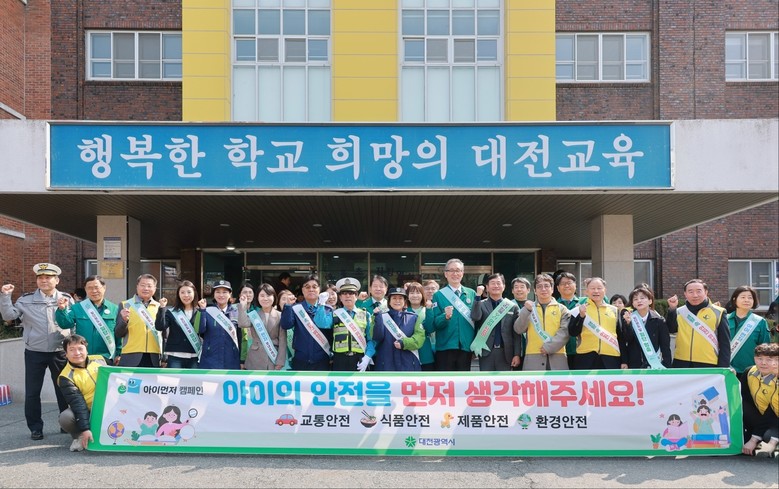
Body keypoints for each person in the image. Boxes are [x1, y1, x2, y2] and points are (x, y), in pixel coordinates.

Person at [0, 263, 72, 440]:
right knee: (33, 392)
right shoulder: (26, 300)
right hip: (34, 352)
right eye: (40, 278)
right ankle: (35, 427)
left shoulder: (66, 299)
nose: (44, 281)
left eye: (48, 278)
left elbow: (72, 322)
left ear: (57, 280)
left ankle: (66, 423)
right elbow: (9, 316)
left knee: (64, 390)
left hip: (59, 351)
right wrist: (5, 296)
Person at [55, 275, 121, 365]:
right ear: (85, 290)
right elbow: (65, 324)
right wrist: (62, 310)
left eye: (96, 287)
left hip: (106, 356)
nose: (94, 291)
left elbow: (119, 334)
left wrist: (119, 353)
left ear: (104, 288)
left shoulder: (115, 309)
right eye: (89, 288)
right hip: (82, 356)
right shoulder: (77, 308)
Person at [57, 334, 106, 452]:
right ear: (66, 354)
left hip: (109, 407)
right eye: (72, 350)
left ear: (86, 350)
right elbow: (78, 404)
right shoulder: (65, 377)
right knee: (66, 417)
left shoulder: (100, 360)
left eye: (80, 348)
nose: (77, 353)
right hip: (88, 411)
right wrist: (85, 429)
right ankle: (80, 436)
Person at [666, 279, 731, 368]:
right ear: (685, 294)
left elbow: (725, 342)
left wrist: (723, 367)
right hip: (681, 362)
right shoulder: (679, 312)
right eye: (690, 292)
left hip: (708, 362)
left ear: (706, 292)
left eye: (699, 291)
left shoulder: (719, 312)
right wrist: (672, 309)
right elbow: (671, 329)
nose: (695, 295)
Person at [514, 274, 571, 371]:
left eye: (546, 286)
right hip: (533, 358)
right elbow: (518, 329)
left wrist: (549, 347)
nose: (543, 289)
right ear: (535, 290)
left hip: (557, 357)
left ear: (552, 289)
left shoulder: (562, 309)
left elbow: (565, 332)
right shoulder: (529, 308)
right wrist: (526, 311)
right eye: (539, 287)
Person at [569, 277, 625, 369]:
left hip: (610, 358)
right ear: (586, 291)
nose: (596, 291)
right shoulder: (578, 309)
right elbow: (572, 332)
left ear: (605, 290)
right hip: (585, 357)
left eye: (599, 288)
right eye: (592, 288)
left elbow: (620, 337)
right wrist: (581, 316)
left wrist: (624, 360)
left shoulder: (614, 310)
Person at [280, 273, 333, 371]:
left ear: (319, 289)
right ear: (302, 290)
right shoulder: (295, 308)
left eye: (314, 287)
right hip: (301, 360)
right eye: (307, 287)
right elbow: (286, 325)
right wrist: (287, 306)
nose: (311, 289)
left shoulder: (327, 309)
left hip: (322, 360)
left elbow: (330, 331)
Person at [432, 258, 477, 371]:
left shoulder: (471, 293)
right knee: (445, 380)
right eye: (451, 270)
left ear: (462, 273)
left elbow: (477, 319)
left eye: (458, 270)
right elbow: (435, 323)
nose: (455, 273)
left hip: (466, 346)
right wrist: (445, 317)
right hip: (445, 346)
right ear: (445, 274)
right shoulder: (438, 295)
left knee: (463, 380)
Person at [470, 273, 521, 371]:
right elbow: (475, 317)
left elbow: (516, 334)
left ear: (504, 286)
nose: (496, 286)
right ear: (487, 287)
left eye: (498, 283)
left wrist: (517, 354)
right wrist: (478, 296)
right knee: (486, 380)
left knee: (505, 380)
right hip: (486, 351)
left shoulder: (512, 306)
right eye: (492, 283)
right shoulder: (481, 304)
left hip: (506, 353)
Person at [155, 280, 205, 369]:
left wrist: (203, 310)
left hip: (194, 355)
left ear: (194, 293)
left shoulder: (200, 312)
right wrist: (162, 308)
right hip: (175, 355)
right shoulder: (172, 312)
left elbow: (203, 331)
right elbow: (160, 326)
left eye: (189, 292)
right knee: (174, 379)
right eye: (182, 292)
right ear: (178, 295)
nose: (186, 295)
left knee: (194, 378)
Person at [372, 287, 425, 371]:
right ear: (389, 301)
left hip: (408, 363)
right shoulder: (381, 317)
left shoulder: (414, 318)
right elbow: (377, 337)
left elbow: (419, 338)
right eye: (394, 298)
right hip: (386, 364)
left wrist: (404, 343)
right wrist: (377, 318)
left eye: (400, 298)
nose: (397, 301)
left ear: (405, 301)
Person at [740, 343, 778, 456]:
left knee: (768, 436)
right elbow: (743, 399)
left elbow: (773, 412)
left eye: (769, 359)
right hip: (763, 417)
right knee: (740, 404)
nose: (763, 363)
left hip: (775, 419)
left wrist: (754, 438)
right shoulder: (749, 372)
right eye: (759, 358)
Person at [116, 274, 162, 367]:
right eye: (143, 285)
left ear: (155, 288)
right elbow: (118, 333)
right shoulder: (125, 305)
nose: (146, 288)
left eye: (149, 286)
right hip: (130, 355)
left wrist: (164, 357)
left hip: (153, 356)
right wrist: (124, 321)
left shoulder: (159, 307)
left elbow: (164, 334)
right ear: (137, 286)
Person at [620, 285, 672, 369]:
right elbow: (625, 340)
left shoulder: (659, 321)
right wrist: (628, 324)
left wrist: (667, 365)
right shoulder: (629, 319)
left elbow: (665, 345)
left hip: (653, 364)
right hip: (634, 364)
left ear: (650, 301)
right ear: (632, 304)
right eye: (635, 299)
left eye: (642, 298)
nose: (639, 301)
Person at [237, 283, 286, 371]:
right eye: (262, 296)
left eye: (268, 295)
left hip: (273, 357)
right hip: (255, 358)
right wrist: (242, 306)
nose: (265, 298)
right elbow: (243, 324)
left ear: (274, 297)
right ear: (258, 298)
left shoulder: (280, 316)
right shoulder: (254, 315)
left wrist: (280, 361)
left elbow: (283, 340)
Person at [331, 277, 375, 372]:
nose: (347, 296)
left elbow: (371, 339)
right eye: (344, 293)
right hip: (339, 359)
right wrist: (322, 304)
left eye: (351, 293)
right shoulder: (334, 314)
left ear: (356, 296)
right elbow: (323, 325)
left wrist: (367, 357)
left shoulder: (366, 314)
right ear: (340, 297)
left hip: (360, 358)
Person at [727, 285, 771, 375]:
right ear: (735, 299)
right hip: (726, 369)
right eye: (743, 297)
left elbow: (765, 348)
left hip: (751, 371)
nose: (746, 300)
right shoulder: (724, 319)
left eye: (750, 298)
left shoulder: (760, 322)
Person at [198, 280, 240, 370]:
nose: (221, 295)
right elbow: (201, 330)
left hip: (231, 358)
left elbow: (241, 336)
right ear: (214, 294)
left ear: (230, 294)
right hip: (210, 358)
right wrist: (202, 311)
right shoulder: (207, 311)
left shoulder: (236, 312)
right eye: (218, 292)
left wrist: (242, 360)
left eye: (224, 292)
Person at [555, 271, 582, 369]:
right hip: (559, 351)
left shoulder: (585, 302)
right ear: (558, 288)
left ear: (575, 286)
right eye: (563, 284)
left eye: (569, 283)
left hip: (581, 350)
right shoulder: (553, 305)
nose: (566, 286)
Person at [408, 281, 435, 371]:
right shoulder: (403, 311)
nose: (415, 295)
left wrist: (429, 310)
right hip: (408, 353)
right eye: (412, 293)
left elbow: (430, 329)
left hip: (425, 352)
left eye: (418, 292)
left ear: (422, 295)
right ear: (407, 296)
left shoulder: (428, 310)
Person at [510, 277, 532, 369]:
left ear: (528, 290)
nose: (519, 289)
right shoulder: (507, 306)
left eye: (522, 287)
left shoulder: (534, 306)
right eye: (516, 287)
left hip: (531, 350)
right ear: (512, 290)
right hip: (512, 351)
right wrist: (516, 354)